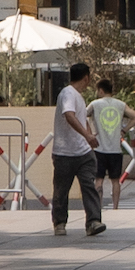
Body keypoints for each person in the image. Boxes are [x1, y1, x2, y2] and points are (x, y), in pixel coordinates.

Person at [50, 59, 105, 237]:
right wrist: (86, 135)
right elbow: (69, 115)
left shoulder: (78, 96)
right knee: (61, 189)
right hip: (65, 152)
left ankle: (93, 221)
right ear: (87, 78)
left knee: (89, 185)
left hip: (83, 152)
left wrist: (89, 137)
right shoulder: (68, 94)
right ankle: (59, 222)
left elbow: (82, 119)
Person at [89, 75, 131, 208]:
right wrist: (124, 130)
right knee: (115, 181)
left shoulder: (95, 104)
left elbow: (82, 114)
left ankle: (97, 206)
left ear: (101, 90)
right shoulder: (120, 104)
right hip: (115, 148)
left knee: (99, 180)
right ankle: (116, 206)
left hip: (99, 148)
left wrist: (90, 131)